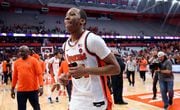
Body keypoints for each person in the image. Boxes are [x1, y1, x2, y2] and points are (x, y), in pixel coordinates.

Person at [59, 7, 120, 110]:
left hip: (96, 100)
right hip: (76, 98)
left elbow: (116, 68)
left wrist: (85, 71)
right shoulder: (65, 46)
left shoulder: (92, 40)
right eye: (66, 16)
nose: (67, 18)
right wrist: (67, 77)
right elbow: (76, 69)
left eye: (72, 14)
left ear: (82, 21)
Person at [11, 45, 43, 110]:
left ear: (28, 52)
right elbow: (15, 77)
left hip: (33, 90)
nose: (21, 53)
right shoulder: (17, 62)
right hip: (21, 90)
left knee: (36, 107)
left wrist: (41, 86)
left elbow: (39, 74)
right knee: (21, 108)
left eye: (23, 51)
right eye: (20, 51)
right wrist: (12, 88)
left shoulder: (34, 61)